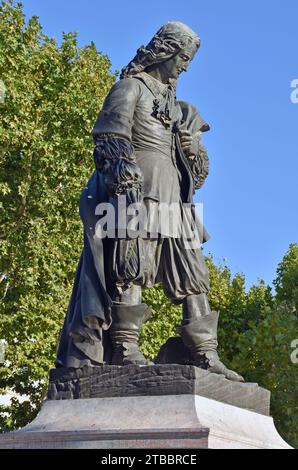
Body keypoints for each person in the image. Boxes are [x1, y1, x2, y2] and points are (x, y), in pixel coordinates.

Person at [56, 21, 243, 382]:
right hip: (135, 193)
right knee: (132, 267)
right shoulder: (130, 88)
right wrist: (127, 181)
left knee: (193, 276)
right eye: (183, 57)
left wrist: (194, 154)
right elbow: (109, 136)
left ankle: (206, 353)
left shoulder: (179, 108)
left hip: (176, 199)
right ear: (166, 51)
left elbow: (197, 174)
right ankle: (126, 348)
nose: (185, 66)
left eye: (189, 60)